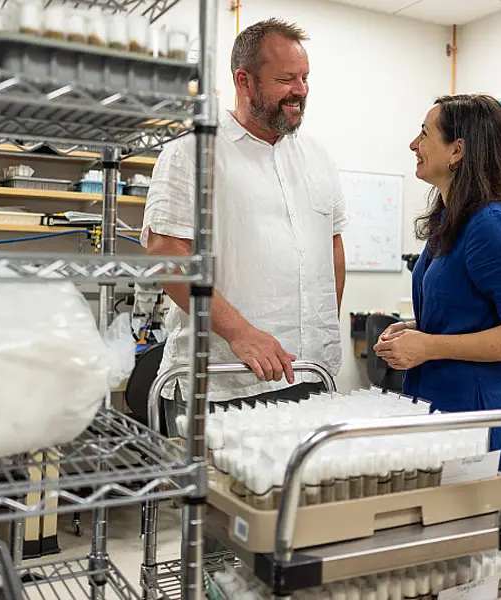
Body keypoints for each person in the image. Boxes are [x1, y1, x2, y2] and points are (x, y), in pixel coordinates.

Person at [374, 94, 501, 599]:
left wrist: (429, 345)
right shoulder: (449, 221)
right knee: (454, 568)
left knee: (498, 569)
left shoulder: (491, 225)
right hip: (450, 413)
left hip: (489, 418)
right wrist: (411, 329)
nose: (414, 144)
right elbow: (460, 310)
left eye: (425, 134)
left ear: (457, 150)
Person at [142, 18, 348, 428]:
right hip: (223, 384)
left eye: (305, 78)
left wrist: (322, 329)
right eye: (286, 79)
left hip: (309, 375)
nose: (301, 91)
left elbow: (333, 248)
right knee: (215, 494)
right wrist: (239, 332)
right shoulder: (194, 152)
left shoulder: (318, 158)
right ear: (245, 81)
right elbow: (166, 255)